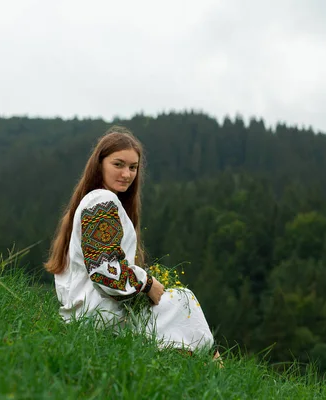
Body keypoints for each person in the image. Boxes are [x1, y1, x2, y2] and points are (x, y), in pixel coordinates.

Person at [45, 125, 216, 354]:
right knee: (183, 301)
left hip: (92, 312)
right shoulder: (101, 203)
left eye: (133, 167)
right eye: (118, 164)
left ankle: (200, 363)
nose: (126, 174)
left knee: (179, 305)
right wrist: (146, 284)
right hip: (97, 316)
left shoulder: (99, 201)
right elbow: (103, 269)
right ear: (99, 164)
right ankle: (214, 366)